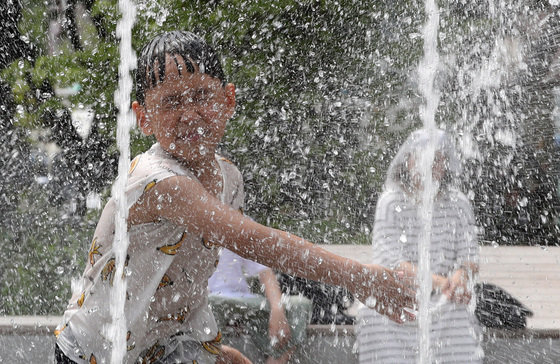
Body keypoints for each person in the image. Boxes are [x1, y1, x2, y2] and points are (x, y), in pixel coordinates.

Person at [53, 30, 416, 364]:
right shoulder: (158, 181)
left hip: (162, 348)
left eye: (201, 96)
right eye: (171, 103)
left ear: (228, 99)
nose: (189, 114)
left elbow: (190, 274)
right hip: (93, 354)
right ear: (143, 118)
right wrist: (361, 278)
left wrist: (203, 348)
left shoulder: (229, 177)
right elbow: (256, 242)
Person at [357, 128, 483, 363]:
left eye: (437, 159)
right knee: (372, 314)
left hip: (445, 299)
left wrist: (460, 277)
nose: (429, 166)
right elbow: (390, 262)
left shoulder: (459, 203)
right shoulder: (390, 202)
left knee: (459, 313)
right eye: (423, 158)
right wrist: (442, 282)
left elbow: (470, 256)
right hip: (401, 294)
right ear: (408, 161)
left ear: (445, 165)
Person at [208, 248, 311, 363]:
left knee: (299, 304)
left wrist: (277, 309)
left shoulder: (234, 233)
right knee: (210, 302)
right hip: (207, 303)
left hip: (241, 300)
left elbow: (265, 273)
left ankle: (276, 360)